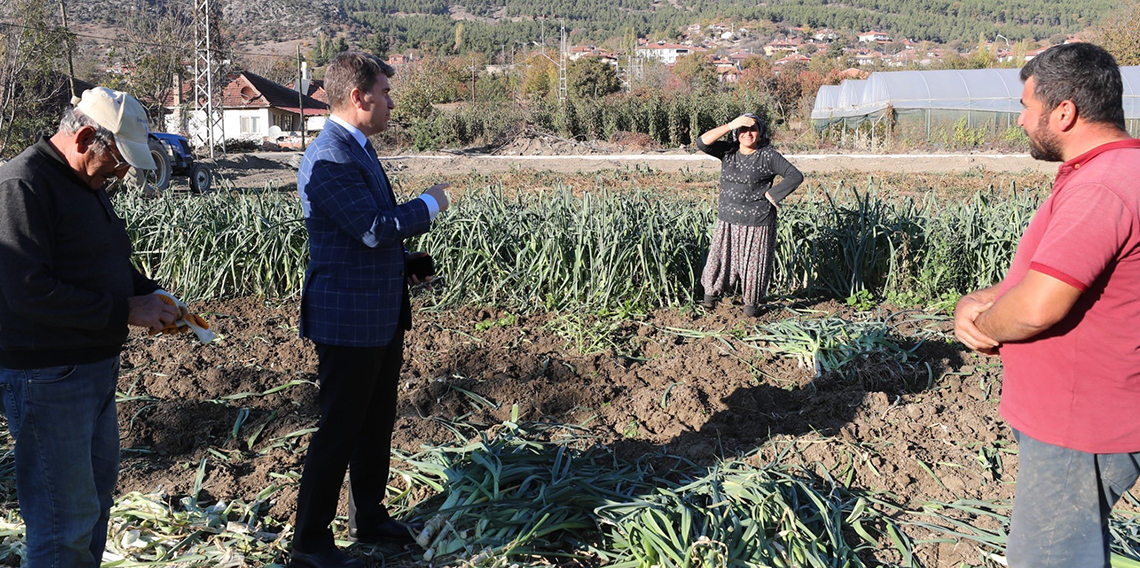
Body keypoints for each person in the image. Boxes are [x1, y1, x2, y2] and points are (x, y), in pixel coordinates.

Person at [954, 42, 1140, 568]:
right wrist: (984, 297)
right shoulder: (1119, 172)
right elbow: (1061, 275)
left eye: (1026, 106)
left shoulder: (1103, 187)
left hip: (1078, 428)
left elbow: (1038, 307)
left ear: (1065, 112)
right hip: (1090, 418)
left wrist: (985, 326)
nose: (1020, 121)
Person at [0, 87, 182, 568]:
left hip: (92, 372)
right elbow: (28, 291)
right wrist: (126, 310)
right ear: (84, 137)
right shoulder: (23, 185)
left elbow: (101, 262)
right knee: (64, 523)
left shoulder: (84, 184)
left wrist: (150, 294)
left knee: (94, 509)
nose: (123, 173)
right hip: (49, 379)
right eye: (119, 162)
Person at [291, 51, 450, 568]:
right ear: (358, 97)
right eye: (383, 92)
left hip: (376, 310)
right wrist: (428, 205)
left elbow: (362, 237)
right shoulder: (331, 155)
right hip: (348, 317)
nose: (389, 101)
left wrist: (404, 263)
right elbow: (372, 227)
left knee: (376, 418)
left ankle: (370, 515)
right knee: (339, 427)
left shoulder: (355, 147)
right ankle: (311, 542)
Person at [696, 113, 803, 317]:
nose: (748, 133)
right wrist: (729, 125)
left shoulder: (768, 156)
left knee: (752, 267)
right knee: (719, 262)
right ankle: (709, 301)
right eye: (743, 129)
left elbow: (795, 175)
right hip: (727, 219)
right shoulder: (728, 151)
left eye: (753, 129)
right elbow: (702, 142)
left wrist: (774, 194)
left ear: (760, 133)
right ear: (737, 133)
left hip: (758, 221)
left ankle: (750, 309)